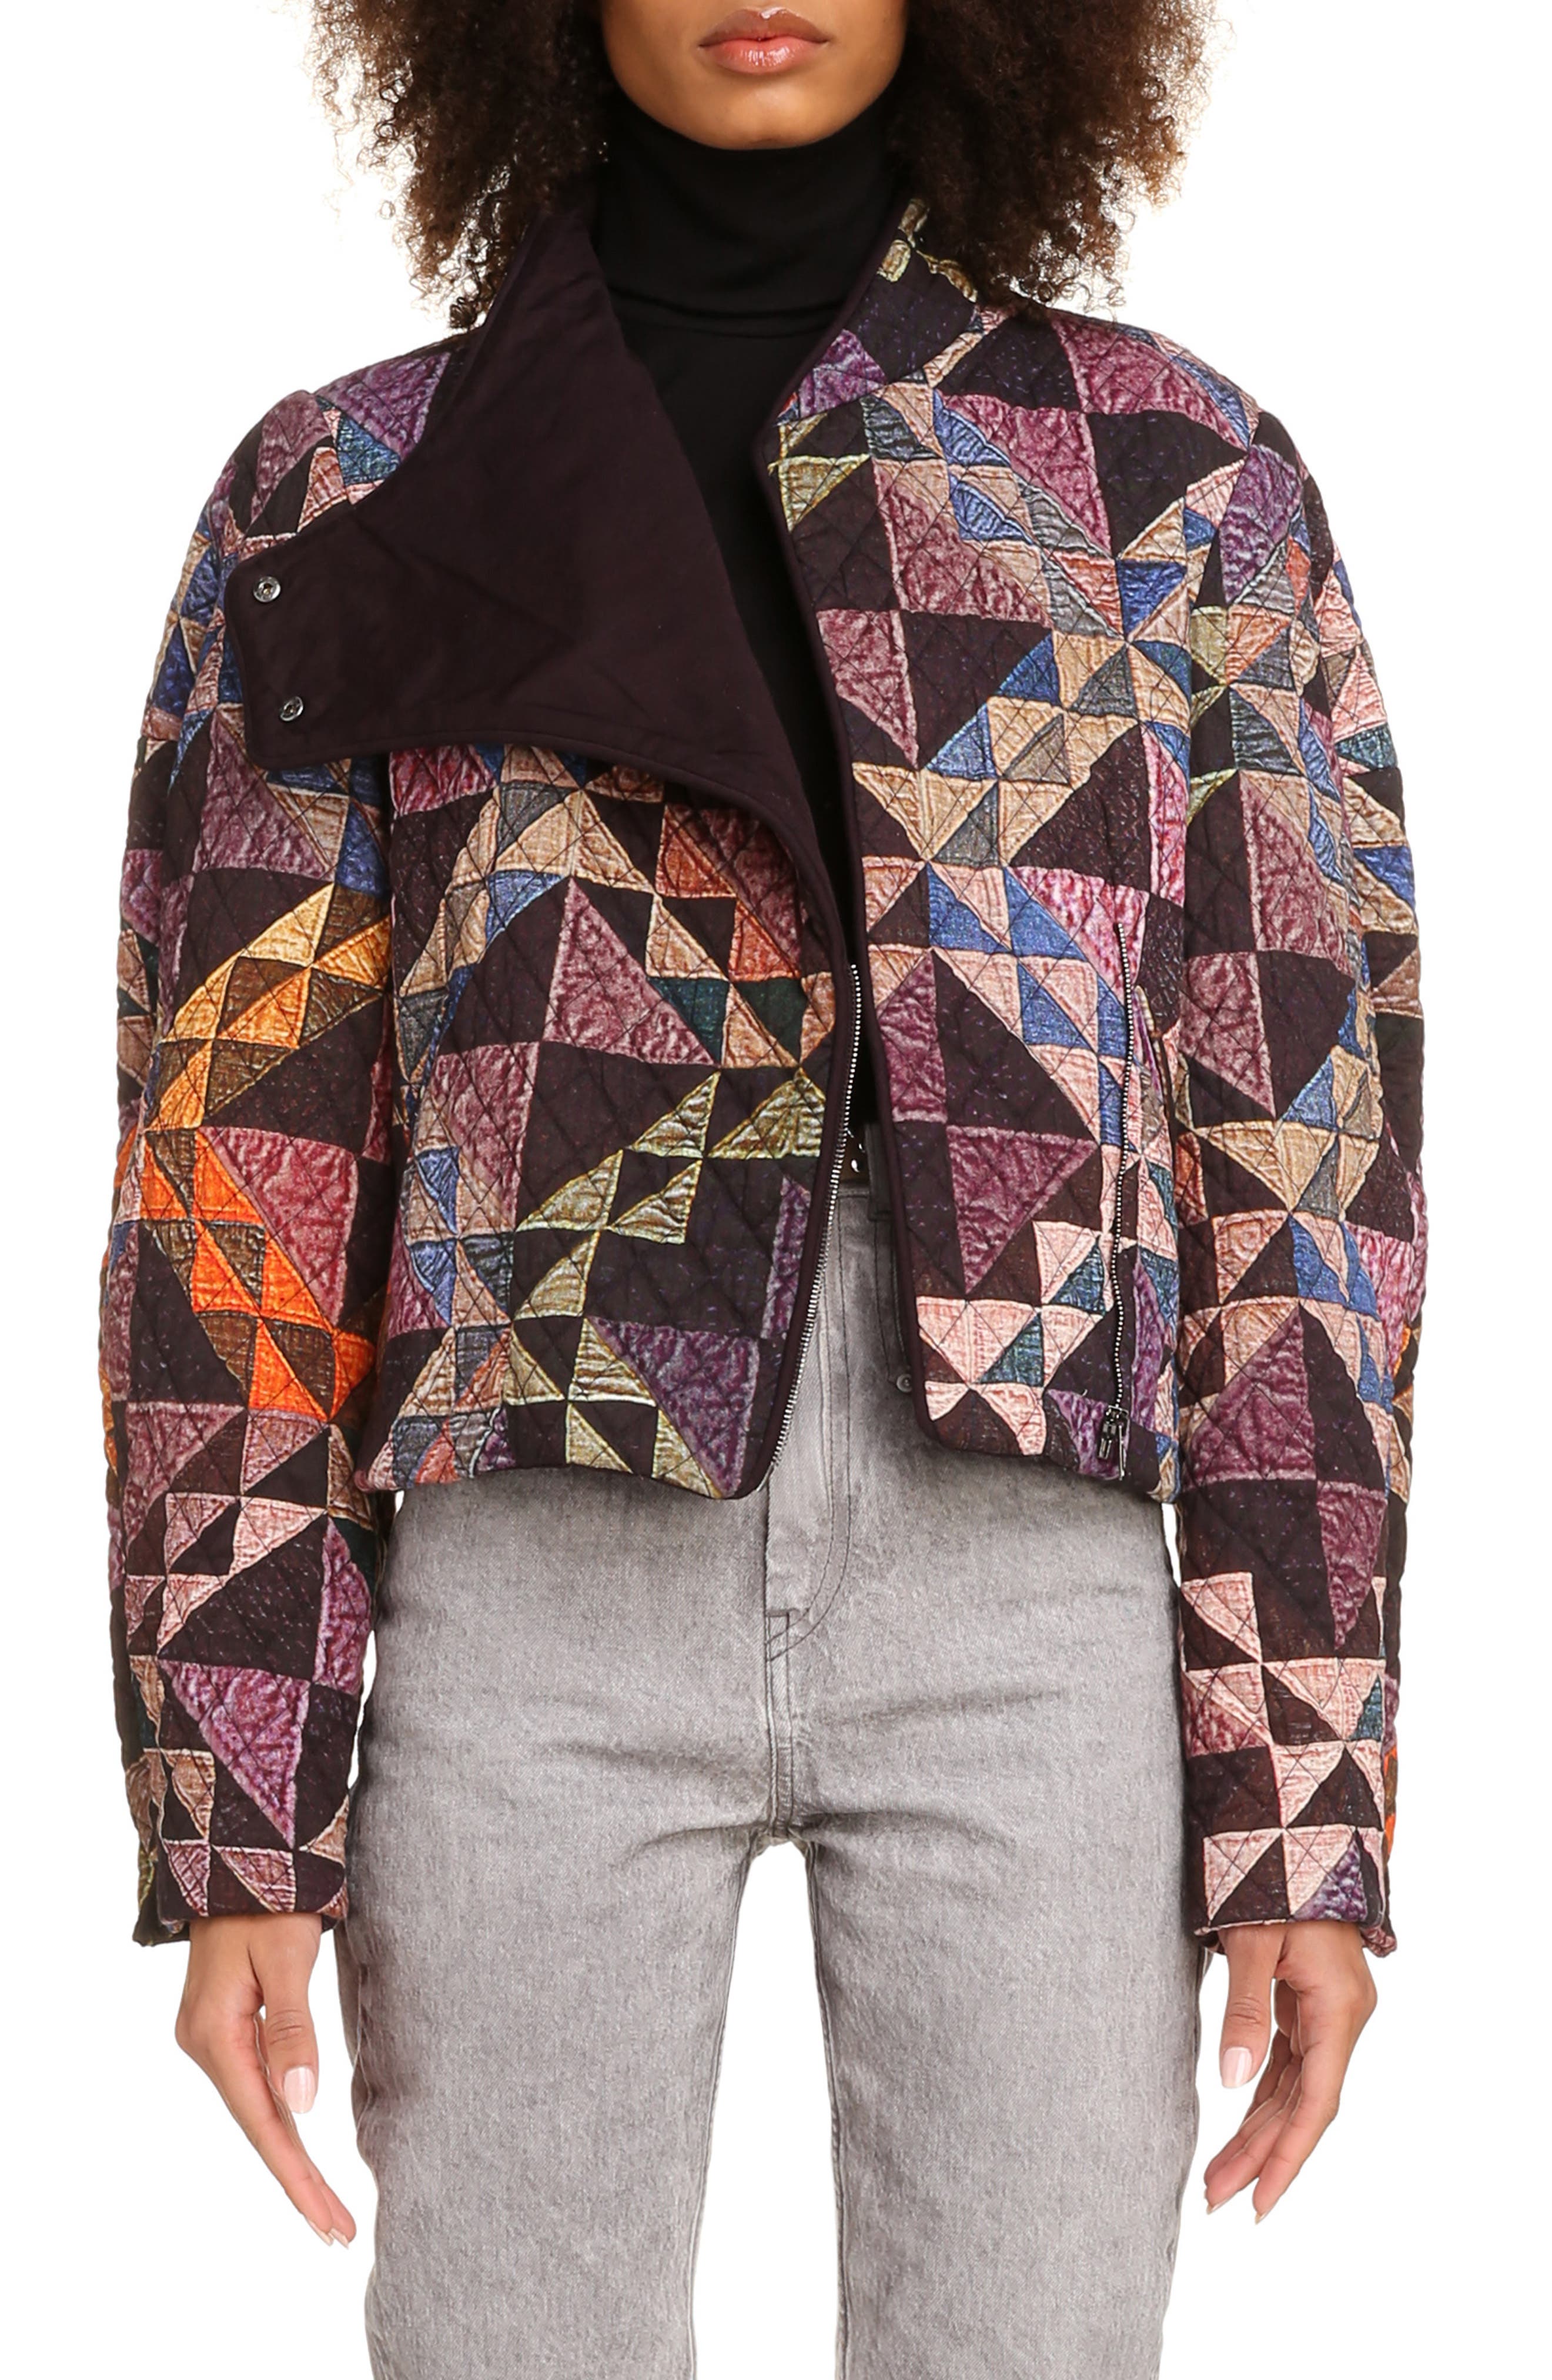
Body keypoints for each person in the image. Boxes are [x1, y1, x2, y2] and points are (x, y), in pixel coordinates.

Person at [99, 1, 1424, 2371]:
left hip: (1026, 1581)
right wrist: (235, 1809)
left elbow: (1300, 1152)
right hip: (530, 1569)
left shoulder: (1169, 481)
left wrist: (1303, 1807)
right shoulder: (355, 487)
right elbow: (236, 1173)